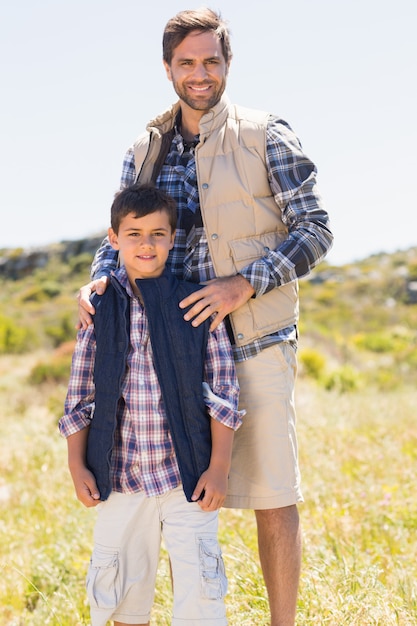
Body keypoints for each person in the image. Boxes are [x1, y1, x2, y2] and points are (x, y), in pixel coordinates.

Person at [78, 9, 334, 625]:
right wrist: (94, 280)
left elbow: (317, 230)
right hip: (164, 347)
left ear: (227, 63)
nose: (201, 74)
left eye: (211, 61)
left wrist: (243, 285)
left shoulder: (267, 133)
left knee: (273, 492)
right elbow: (118, 233)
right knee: (178, 492)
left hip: (254, 337)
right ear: (168, 67)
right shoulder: (144, 146)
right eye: (187, 63)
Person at [60, 183, 244, 626]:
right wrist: (76, 466)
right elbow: (80, 396)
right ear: (113, 238)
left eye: (158, 234)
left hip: (188, 481)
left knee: (200, 600)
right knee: (121, 597)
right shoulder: (98, 308)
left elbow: (223, 395)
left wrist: (218, 468)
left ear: (172, 238)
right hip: (119, 478)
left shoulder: (195, 303)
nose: (146, 244)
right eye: (134, 233)